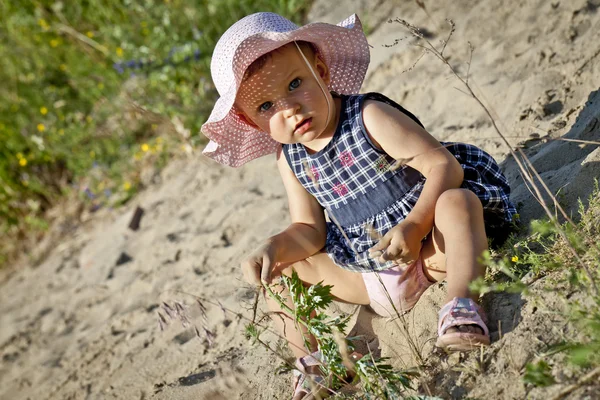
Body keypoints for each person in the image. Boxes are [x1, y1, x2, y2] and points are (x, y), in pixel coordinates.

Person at [201, 12, 516, 399]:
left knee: (458, 201)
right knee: (280, 271)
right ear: (252, 123)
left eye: (295, 84)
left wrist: (416, 225)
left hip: (431, 249)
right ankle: (314, 364)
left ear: (321, 70)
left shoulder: (368, 116)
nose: (289, 110)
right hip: (367, 269)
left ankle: (462, 304)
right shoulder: (289, 158)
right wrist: (275, 245)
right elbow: (310, 231)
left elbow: (441, 165)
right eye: (266, 106)